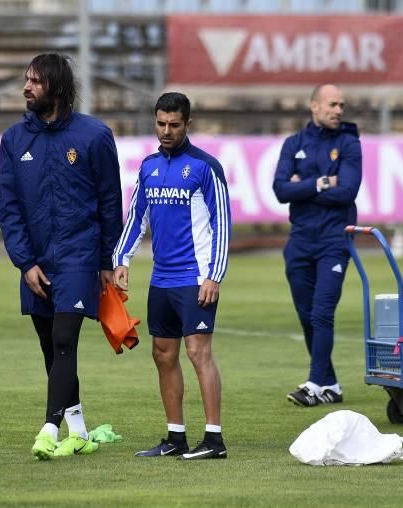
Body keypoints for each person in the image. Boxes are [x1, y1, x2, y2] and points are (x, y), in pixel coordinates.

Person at [0, 53, 124, 459]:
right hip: (36, 260)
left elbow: (109, 201)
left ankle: (49, 427)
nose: (26, 88)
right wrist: (25, 262)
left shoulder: (94, 136)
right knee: (50, 348)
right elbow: (9, 207)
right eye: (26, 80)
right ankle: (80, 430)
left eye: (34, 81)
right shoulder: (14, 140)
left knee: (65, 338)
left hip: (78, 255)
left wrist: (108, 260)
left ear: (54, 85)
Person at [113, 92, 231, 460]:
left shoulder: (204, 167)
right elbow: (136, 217)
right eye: (161, 124)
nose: (166, 131)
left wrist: (215, 275)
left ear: (187, 124)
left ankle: (214, 440)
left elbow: (223, 224)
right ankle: (175, 437)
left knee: (199, 353)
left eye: (174, 125)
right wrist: (121, 259)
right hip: (161, 280)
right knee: (163, 355)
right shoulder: (147, 167)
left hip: (196, 278)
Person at [272, 84, 363, 407]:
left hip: (334, 240)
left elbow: (347, 191)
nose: (339, 110)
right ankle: (331, 384)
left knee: (323, 312)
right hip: (299, 240)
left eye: (342, 104)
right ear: (314, 106)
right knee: (307, 314)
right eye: (332, 104)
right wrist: (325, 182)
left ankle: (314, 384)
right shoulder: (293, 143)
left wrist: (304, 187)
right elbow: (281, 190)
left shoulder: (349, 144)